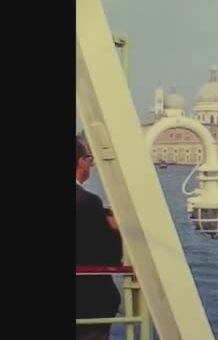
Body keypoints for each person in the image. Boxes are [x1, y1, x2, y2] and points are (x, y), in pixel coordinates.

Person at [76, 136, 123, 340]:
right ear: (80, 162)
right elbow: (111, 257)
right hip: (88, 303)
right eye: (89, 159)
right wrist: (114, 229)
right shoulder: (88, 202)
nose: (91, 165)